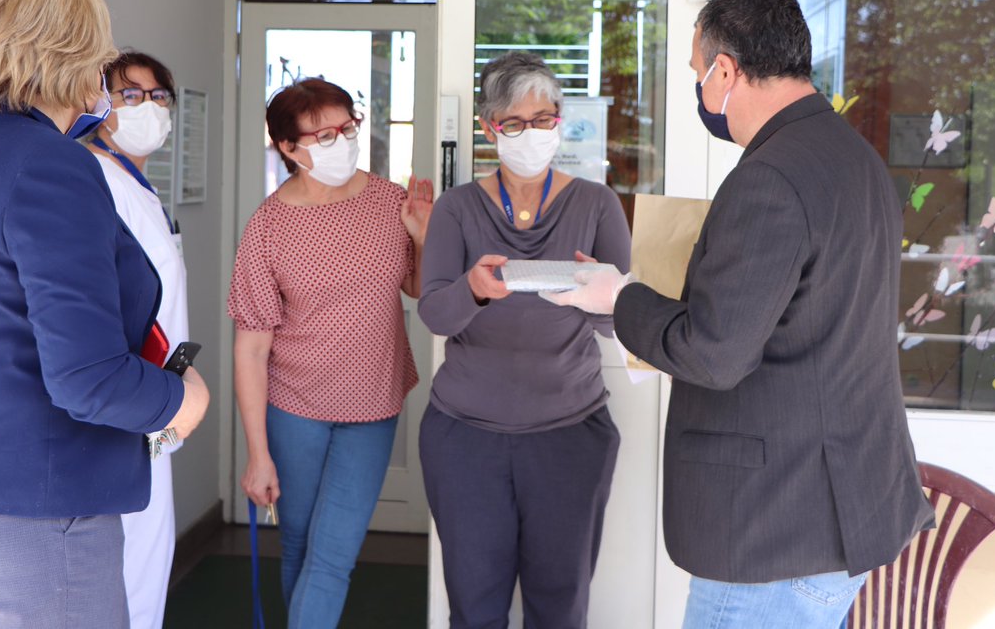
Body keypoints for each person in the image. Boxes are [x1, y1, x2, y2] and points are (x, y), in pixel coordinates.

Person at [545, 0, 934, 629]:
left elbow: (714, 353)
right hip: (838, 508)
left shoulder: (771, 178)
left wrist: (619, 296)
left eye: (697, 72)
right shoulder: (854, 157)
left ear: (725, 71)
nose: (698, 88)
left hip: (778, 528)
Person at [0, 0, 210, 629]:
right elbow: (87, 378)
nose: (105, 63)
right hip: (41, 511)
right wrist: (181, 401)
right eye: (99, 46)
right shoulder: (53, 164)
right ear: (71, 48)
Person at [416, 51, 631, 629]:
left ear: (559, 119)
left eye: (542, 119)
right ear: (489, 128)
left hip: (570, 434)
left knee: (560, 607)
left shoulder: (597, 204)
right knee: (474, 607)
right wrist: (474, 289)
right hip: (465, 439)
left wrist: (600, 294)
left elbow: (620, 323)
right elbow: (435, 314)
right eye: (514, 123)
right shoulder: (458, 208)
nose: (531, 133)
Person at [227, 78, 431, 629]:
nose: (341, 142)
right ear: (288, 148)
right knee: (297, 543)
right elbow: (251, 348)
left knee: (333, 554)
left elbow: (417, 288)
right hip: (293, 405)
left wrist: (421, 235)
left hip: (372, 401)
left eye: (347, 128)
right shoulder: (268, 226)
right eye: (323, 136)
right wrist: (257, 454)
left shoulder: (390, 201)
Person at [86, 50, 186, 629]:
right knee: (131, 570)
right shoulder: (98, 178)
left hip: (157, 407)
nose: (147, 106)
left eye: (157, 96)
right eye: (130, 95)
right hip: (130, 407)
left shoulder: (136, 185)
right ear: (99, 104)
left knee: (148, 561)